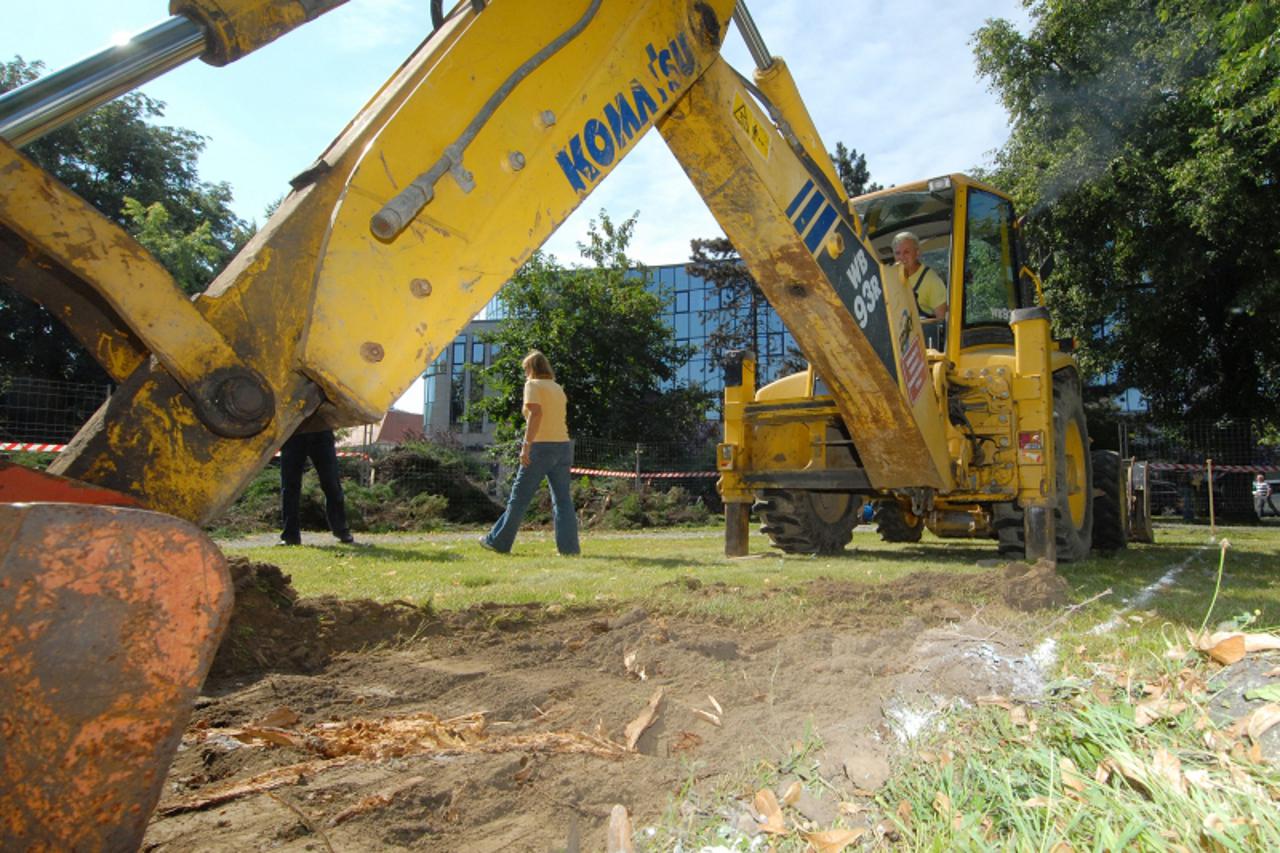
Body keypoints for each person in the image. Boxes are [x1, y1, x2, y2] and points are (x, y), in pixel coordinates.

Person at [480, 350, 580, 555]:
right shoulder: (557, 388)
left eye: (526, 369)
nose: (525, 373)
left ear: (532, 369)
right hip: (563, 446)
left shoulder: (532, 385)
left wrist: (526, 445)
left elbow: (536, 413)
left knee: (519, 498)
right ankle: (570, 549)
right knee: (562, 500)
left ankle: (499, 542)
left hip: (541, 447)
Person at [279, 428, 355, 545]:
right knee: (289, 487)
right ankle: (290, 536)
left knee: (331, 483)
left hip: (321, 432)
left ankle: (342, 530)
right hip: (293, 432)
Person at [889, 230, 948, 320]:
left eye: (906, 252)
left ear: (917, 253)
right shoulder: (889, 277)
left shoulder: (931, 281)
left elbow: (943, 321)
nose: (901, 257)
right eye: (897, 253)